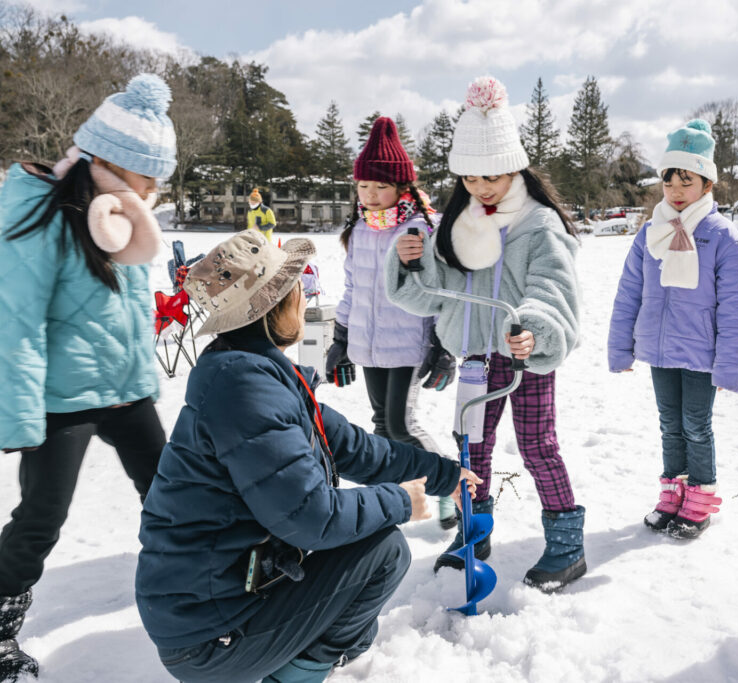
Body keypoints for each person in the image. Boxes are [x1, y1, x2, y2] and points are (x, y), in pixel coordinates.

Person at [135, 230, 480, 683]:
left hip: (215, 599)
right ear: (272, 305)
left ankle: (295, 657)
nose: (304, 293)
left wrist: (442, 475)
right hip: (207, 635)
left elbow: (357, 449)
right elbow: (311, 517)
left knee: (362, 599)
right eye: (295, 285)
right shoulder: (245, 390)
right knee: (383, 552)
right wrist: (403, 501)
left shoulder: (259, 373)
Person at [0, 74, 177, 681]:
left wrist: (145, 382)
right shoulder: (41, 212)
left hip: (125, 392)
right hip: (60, 401)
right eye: (145, 180)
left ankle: (194, 593)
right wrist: (19, 415)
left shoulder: (120, 213)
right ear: (107, 163)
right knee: (42, 518)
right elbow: (15, 319)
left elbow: (126, 310)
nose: (151, 194)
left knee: (173, 494)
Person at [386, 76, 586, 592]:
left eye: (492, 175)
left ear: (515, 166)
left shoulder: (538, 224)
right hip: (476, 357)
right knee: (472, 447)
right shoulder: (460, 224)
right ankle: (474, 533)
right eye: (471, 178)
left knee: (538, 444)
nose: (482, 187)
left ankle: (566, 546)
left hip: (522, 355)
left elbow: (554, 285)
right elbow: (434, 295)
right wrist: (412, 263)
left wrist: (535, 331)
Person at [607, 119, 738, 540]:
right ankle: (673, 490)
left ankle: (701, 496)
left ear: (707, 184)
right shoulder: (650, 234)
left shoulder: (725, 238)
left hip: (702, 353)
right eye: (669, 181)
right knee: (669, 423)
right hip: (659, 349)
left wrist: (729, 365)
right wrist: (621, 348)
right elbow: (628, 293)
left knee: (696, 423)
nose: (674, 191)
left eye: (685, 182)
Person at [326, 116, 458, 530]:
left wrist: (442, 346)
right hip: (367, 343)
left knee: (402, 423)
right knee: (382, 424)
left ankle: (453, 489)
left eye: (380, 186)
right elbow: (351, 289)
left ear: (402, 188)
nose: (370, 194)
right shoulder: (360, 228)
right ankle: (394, 500)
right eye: (363, 186)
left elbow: (439, 290)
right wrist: (340, 338)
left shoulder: (421, 228)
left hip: (408, 344)